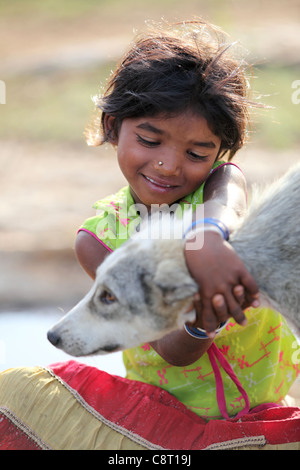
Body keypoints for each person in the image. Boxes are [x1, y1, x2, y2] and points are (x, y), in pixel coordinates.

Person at [76, 19, 297, 420]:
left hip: (267, 409)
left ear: (218, 156)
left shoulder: (218, 189)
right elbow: (169, 351)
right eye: (149, 140)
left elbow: (224, 203)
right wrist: (203, 319)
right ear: (112, 126)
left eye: (197, 154)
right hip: (165, 419)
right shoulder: (100, 241)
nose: (168, 165)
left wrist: (206, 238)